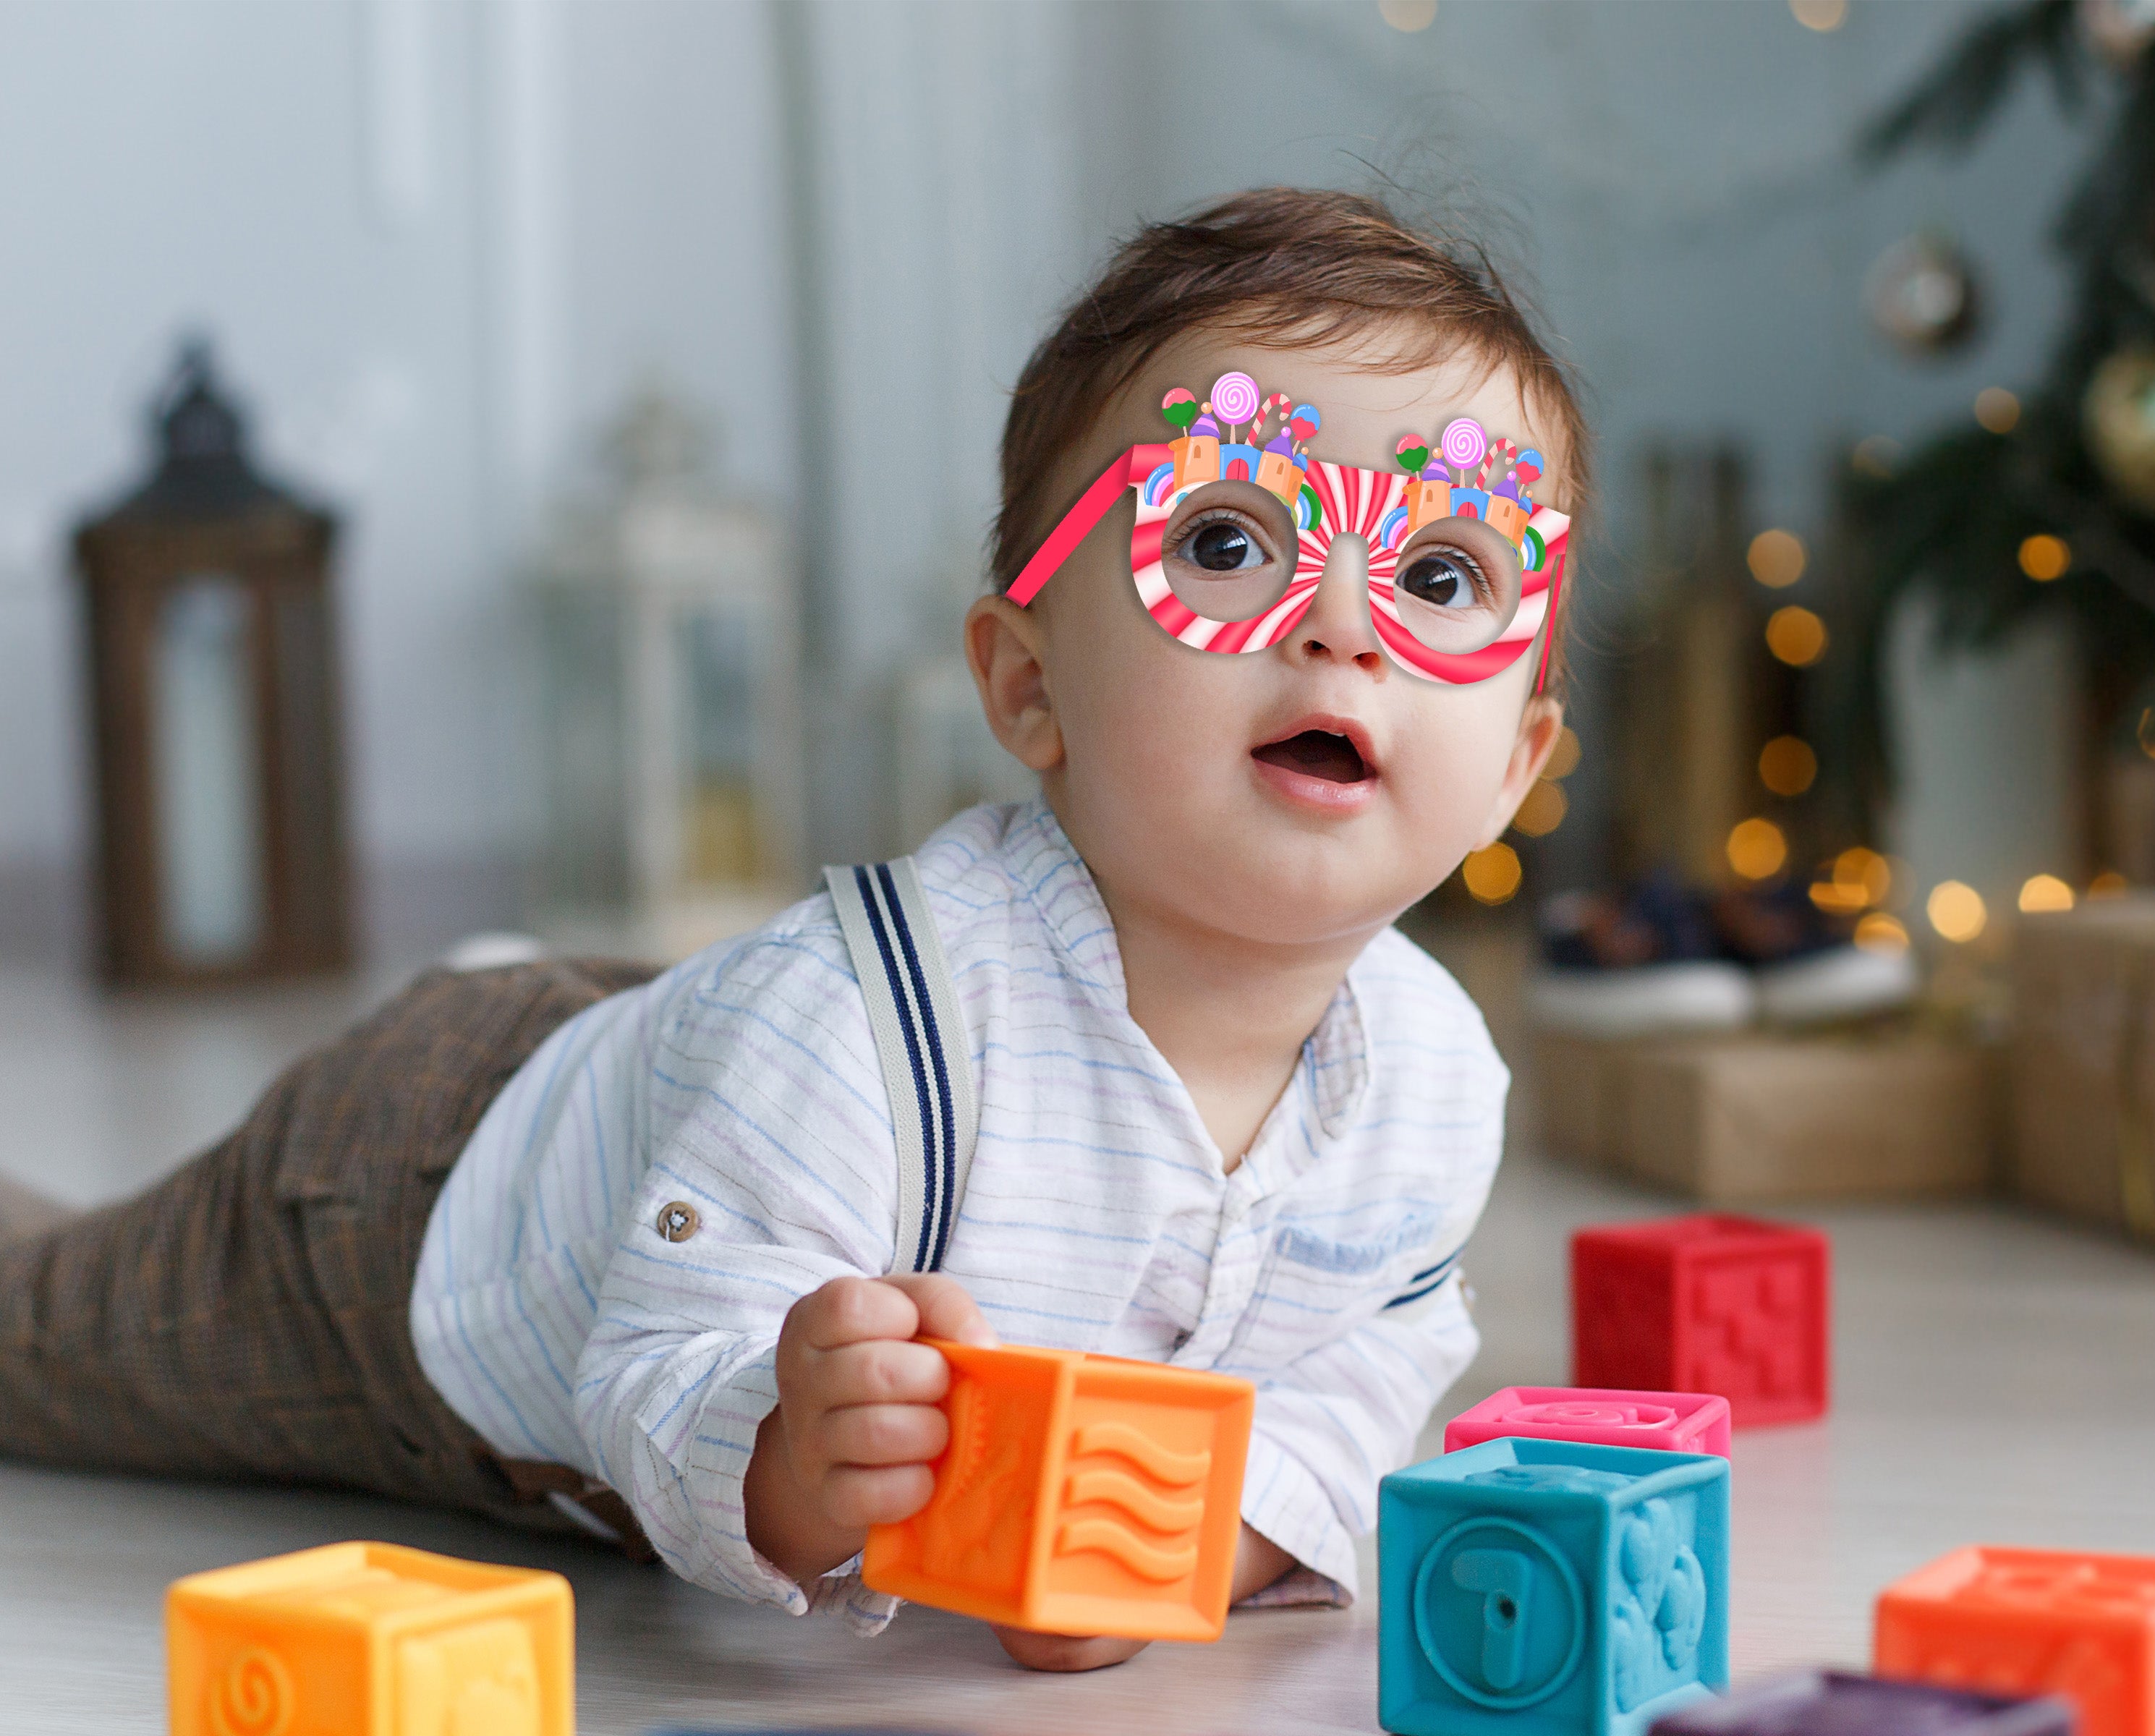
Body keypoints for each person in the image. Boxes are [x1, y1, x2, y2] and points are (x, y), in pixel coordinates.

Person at [0, 186, 1582, 1674]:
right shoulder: (875, 1022)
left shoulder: (1433, 1083)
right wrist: (782, 1454)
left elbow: (1364, 1363)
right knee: (48, 1332)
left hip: (692, 1090)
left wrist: (1191, 1547)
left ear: (1515, 766)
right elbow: (658, 1354)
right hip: (409, 1216)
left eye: (1447, 570)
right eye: (1227, 544)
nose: (1344, 623)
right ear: (1028, 685)